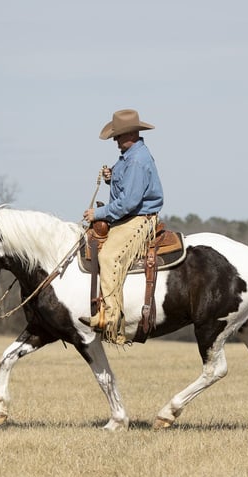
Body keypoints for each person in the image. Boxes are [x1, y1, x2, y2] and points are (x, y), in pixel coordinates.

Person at [81, 109, 164, 345]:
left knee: (108, 257)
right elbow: (127, 188)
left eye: (117, 136)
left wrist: (97, 213)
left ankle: (112, 320)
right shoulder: (130, 156)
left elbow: (129, 202)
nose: (116, 142)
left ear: (130, 134)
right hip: (130, 216)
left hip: (140, 219)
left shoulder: (137, 159)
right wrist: (111, 177)